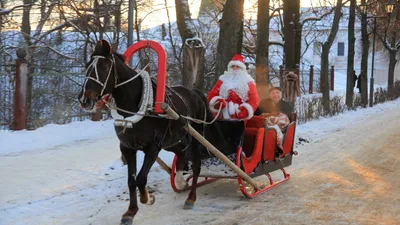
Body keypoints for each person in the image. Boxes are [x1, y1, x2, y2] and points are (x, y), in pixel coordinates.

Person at [208, 54, 260, 120]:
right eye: (233, 66)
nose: (235, 68)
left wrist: (246, 110)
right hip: (222, 114)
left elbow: (254, 99)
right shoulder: (223, 79)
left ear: (242, 68)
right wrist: (216, 102)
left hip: (239, 113)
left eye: (237, 66)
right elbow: (212, 94)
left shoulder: (248, 81)